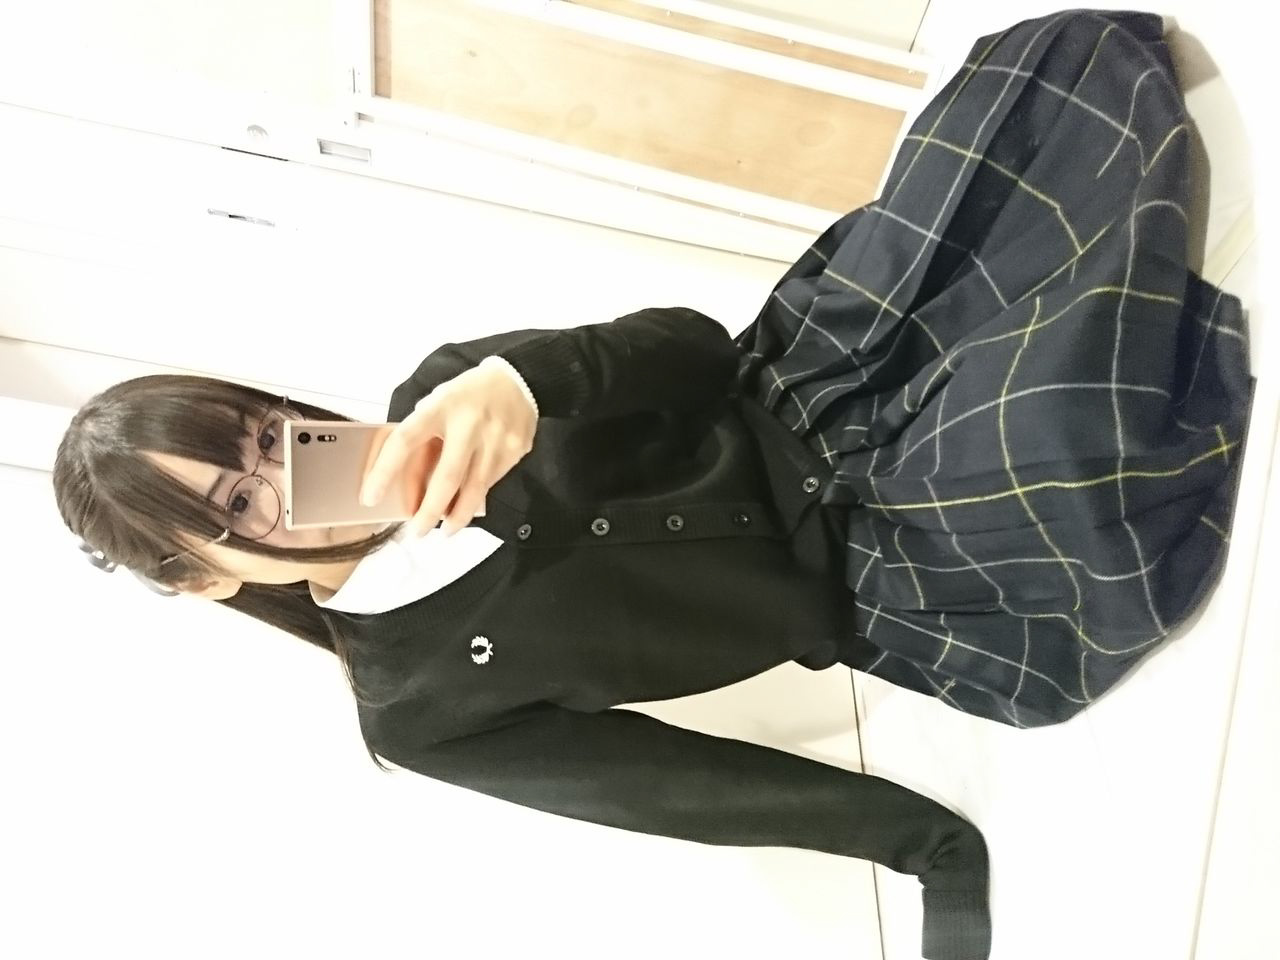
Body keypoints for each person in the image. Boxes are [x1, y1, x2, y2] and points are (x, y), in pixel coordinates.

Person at [52, 10, 1252, 960]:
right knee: (1068, 445)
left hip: (821, 373)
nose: (279, 471)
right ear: (207, 579)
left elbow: (694, 351)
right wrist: (930, 851)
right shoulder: (415, 711)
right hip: (882, 572)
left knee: (1049, 72)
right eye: (239, 506)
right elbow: (684, 791)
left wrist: (525, 381)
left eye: (261, 435)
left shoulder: (440, 391)